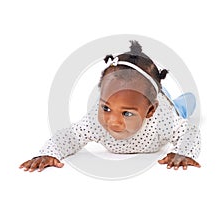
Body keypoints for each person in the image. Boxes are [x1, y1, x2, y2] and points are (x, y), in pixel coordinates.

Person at [19, 41, 201, 172]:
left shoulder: (163, 121)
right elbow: (68, 137)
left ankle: (184, 101)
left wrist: (182, 153)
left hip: (167, 105)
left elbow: (189, 132)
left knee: (181, 108)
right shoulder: (94, 123)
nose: (113, 121)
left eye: (127, 113)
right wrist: (49, 153)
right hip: (147, 98)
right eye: (106, 108)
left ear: (150, 111)